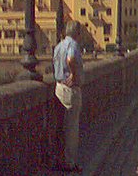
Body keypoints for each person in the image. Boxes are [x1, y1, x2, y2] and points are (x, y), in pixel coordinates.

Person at [53, 21, 84, 173]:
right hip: (70, 90)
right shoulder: (73, 44)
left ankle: (59, 159)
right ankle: (69, 163)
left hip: (58, 88)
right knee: (71, 129)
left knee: (60, 128)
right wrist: (74, 74)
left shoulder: (59, 46)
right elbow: (71, 59)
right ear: (77, 33)